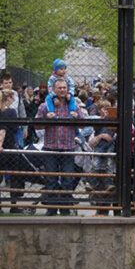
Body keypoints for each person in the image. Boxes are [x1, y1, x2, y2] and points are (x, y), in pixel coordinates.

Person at [36, 78, 83, 216]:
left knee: (67, 179)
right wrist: (46, 119)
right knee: (51, 179)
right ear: (54, 90)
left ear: (68, 89)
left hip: (68, 147)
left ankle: (65, 209)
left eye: (64, 87)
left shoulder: (74, 105)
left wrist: (77, 118)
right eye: (59, 88)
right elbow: (36, 125)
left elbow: (83, 125)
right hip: (50, 147)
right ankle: (51, 209)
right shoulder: (45, 106)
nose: (62, 90)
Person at [87, 100, 117, 216]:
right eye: (103, 109)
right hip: (99, 162)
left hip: (110, 161)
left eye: (108, 109)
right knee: (99, 190)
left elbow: (116, 137)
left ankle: (112, 212)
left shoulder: (114, 123)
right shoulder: (98, 123)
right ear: (99, 110)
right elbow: (91, 143)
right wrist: (101, 136)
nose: (106, 111)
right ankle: (100, 211)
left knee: (109, 192)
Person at [0, 89, 23, 213]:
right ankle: (13, 205)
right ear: (8, 98)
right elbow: (15, 128)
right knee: (14, 176)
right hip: (10, 146)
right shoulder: (11, 111)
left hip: (1, 148)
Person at [1, 73, 26, 147]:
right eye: (6, 83)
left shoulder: (17, 95)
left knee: (19, 149)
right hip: (2, 126)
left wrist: (25, 128)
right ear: (1, 84)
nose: (8, 85)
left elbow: (22, 112)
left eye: (10, 82)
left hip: (16, 128)